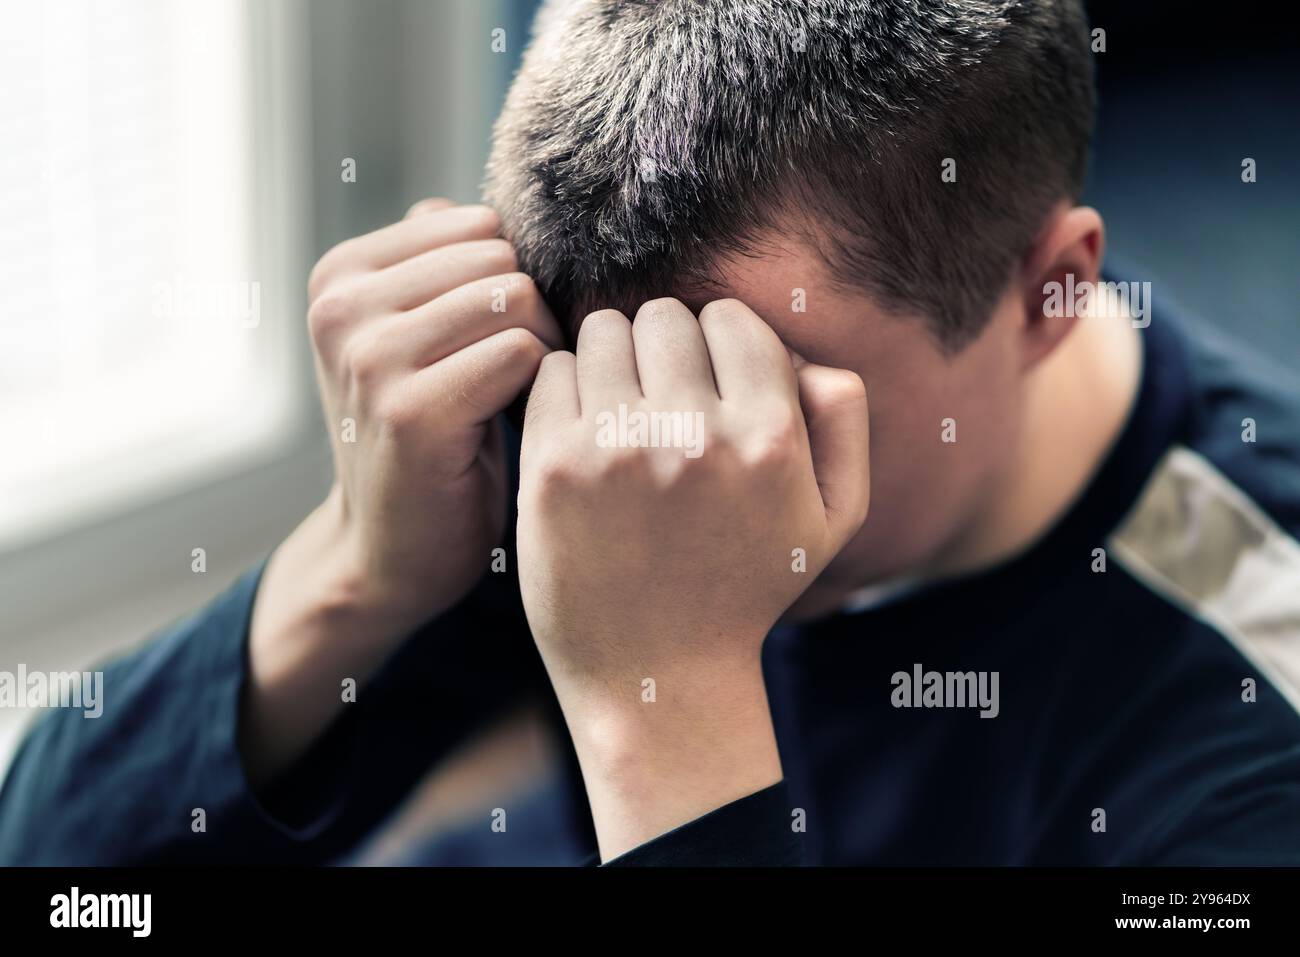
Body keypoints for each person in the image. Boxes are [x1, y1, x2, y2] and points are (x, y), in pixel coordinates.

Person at [3, 0, 1299, 866]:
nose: (636, 446)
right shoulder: (578, 408)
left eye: (750, 384)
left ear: (1051, 292)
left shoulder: (1253, 731)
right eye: (580, 355)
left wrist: (666, 713)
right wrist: (356, 568)